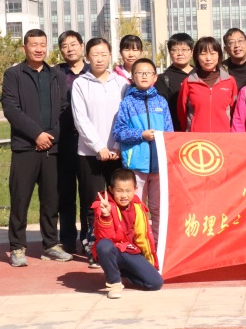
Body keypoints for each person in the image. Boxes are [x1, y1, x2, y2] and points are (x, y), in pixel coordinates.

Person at [2, 29, 72, 267]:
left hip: (51, 148)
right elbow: (11, 109)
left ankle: (50, 244)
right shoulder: (13, 75)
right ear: (25, 48)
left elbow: (65, 109)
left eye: (42, 44)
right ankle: (17, 247)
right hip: (25, 148)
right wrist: (36, 135)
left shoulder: (56, 75)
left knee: (51, 200)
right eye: (34, 45)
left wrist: (51, 136)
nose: (39, 49)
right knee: (20, 199)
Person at [71, 37, 128, 267]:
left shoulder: (121, 83)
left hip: (117, 152)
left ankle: (118, 242)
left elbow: (125, 116)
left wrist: (116, 146)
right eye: (95, 54)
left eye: (104, 54)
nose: (100, 58)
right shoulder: (80, 84)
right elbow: (80, 119)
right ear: (87, 57)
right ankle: (92, 244)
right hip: (89, 153)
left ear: (110, 55)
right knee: (92, 201)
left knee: (119, 199)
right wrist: (99, 147)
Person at [113, 58, 172, 243]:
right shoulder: (127, 103)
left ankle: (158, 245)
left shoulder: (161, 102)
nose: (144, 76)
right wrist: (141, 135)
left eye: (148, 73)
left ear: (155, 77)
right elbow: (119, 132)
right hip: (136, 165)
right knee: (136, 208)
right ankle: (136, 244)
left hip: (159, 166)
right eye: (139, 73)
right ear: (132, 77)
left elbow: (169, 132)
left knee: (158, 208)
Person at [92, 168, 164, 299]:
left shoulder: (137, 205)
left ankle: (123, 274)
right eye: (119, 190)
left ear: (135, 189)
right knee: (103, 245)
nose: (124, 195)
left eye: (128, 190)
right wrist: (106, 215)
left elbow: (144, 236)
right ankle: (114, 283)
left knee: (155, 283)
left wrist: (150, 262)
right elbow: (104, 237)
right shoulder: (103, 205)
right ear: (111, 189)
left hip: (130, 251)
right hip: (113, 250)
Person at [55, 30, 90, 254]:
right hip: (64, 139)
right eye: (65, 46)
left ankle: (88, 238)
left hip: (88, 140)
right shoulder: (55, 74)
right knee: (65, 191)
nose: (70, 49)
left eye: (74, 44)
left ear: (82, 46)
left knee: (88, 191)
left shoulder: (93, 71)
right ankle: (67, 239)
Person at [177, 36, 238, 132]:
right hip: (197, 138)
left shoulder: (230, 81)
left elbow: (235, 111)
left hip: (223, 136)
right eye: (203, 54)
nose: (208, 58)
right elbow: (182, 112)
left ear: (219, 55)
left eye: (213, 53)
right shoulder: (188, 82)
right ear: (197, 56)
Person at [154, 33, 194, 132]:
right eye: (175, 50)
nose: (180, 53)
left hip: (199, 130)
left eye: (184, 49)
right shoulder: (164, 78)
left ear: (192, 52)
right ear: (169, 52)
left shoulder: (200, 75)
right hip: (175, 131)